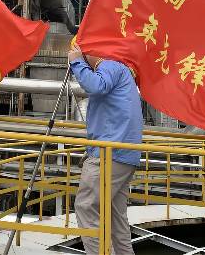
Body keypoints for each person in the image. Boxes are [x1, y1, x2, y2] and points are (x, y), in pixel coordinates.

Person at [68, 42, 142, 255]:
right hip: (124, 154)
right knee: (115, 216)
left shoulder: (109, 65)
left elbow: (96, 86)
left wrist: (76, 62)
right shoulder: (121, 70)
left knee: (86, 206)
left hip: (109, 153)